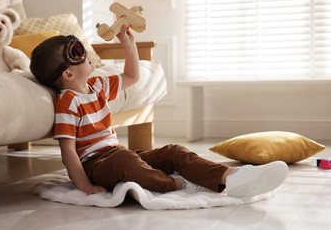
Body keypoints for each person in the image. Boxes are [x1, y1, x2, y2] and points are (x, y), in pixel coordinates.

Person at [30, 26, 288, 198]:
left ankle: (231, 177)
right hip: (96, 164)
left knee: (173, 151)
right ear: (67, 73)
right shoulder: (68, 101)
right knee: (127, 163)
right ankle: (181, 184)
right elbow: (67, 151)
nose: (85, 53)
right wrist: (84, 185)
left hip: (119, 153)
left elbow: (131, 76)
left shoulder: (97, 85)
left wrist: (128, 45)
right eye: (76, 53)